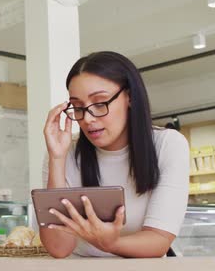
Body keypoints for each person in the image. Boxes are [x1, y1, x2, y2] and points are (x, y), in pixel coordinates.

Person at [41, 51, 189, 258]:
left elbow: (158, 241)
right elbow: (59, 247)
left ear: (129, 96)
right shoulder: (64, 151)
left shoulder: (168, 144)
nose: (88, 119)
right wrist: (57, 159)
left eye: (100, 103)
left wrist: (111, 243)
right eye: (77, 107)